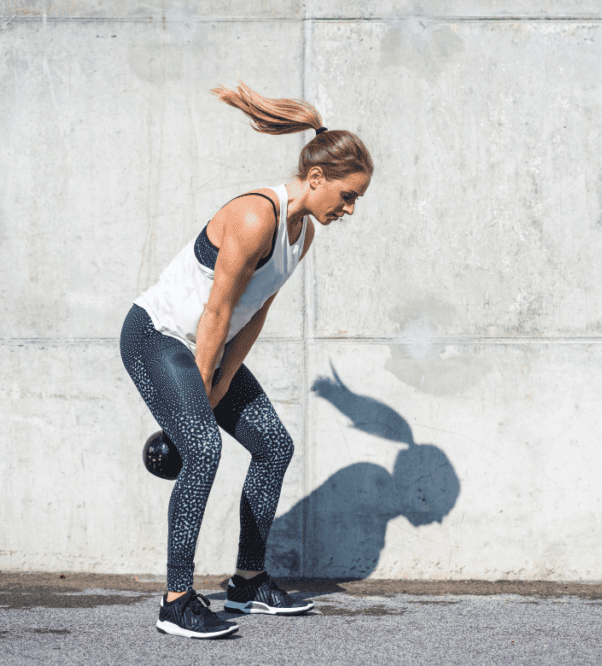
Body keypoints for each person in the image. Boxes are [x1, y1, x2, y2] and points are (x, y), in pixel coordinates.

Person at [119, 81, 373, 639]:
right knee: (203, 448)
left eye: (356, 200)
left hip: (206, 344)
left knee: (274, 445)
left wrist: (222, 379)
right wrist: (201, 401)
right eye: (347, 195)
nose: (350, 208)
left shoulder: (301, 232)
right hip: (158, 336)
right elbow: (215, 313)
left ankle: (247, 581)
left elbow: (253, 313)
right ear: (316, 178)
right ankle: (177, 599)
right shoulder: (257, 216)